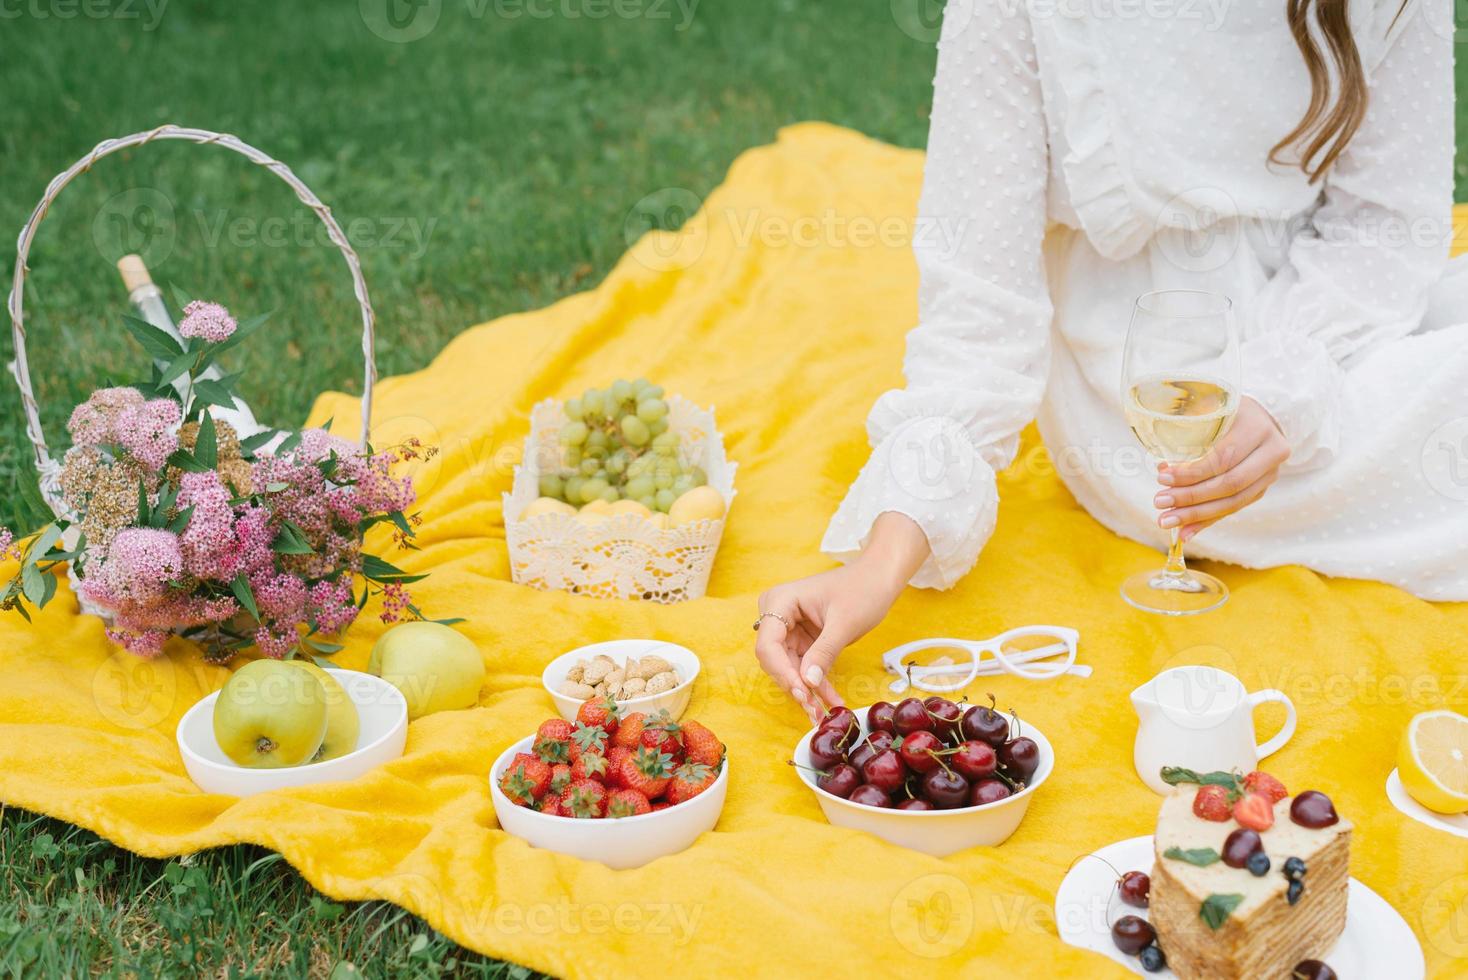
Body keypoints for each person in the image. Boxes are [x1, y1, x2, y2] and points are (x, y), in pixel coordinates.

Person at [754, 0, 1464, 720]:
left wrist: (1285, 387)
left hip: (1336, 318)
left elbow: (1386, 222)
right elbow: (980, 312)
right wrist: (879, 565)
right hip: (1139, 381)